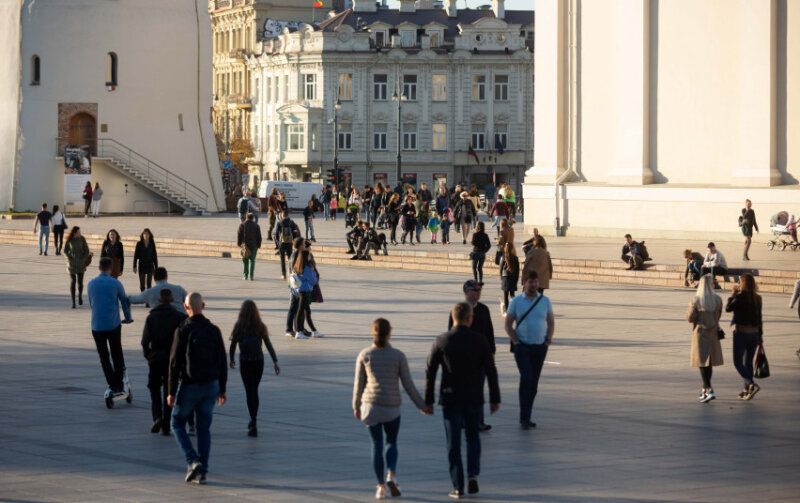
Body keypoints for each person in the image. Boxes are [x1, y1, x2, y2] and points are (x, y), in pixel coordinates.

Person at [424, 302, 500, 499]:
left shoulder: (441, 341)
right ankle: (472, 474)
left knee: (453, 442)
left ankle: (458, 486)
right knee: (473, 437)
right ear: (470, 319)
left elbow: (430, 371)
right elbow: (491, 371)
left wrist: (428, 400)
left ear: (453, 318)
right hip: (473, 398)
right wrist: (494, 398)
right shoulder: (480, 341)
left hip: (450, 398)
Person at [353, 318, 427, 500]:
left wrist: (356, 406)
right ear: (389, 334)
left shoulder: (364, 355)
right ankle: (391, 474)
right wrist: (421, 405)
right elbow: (408, 384)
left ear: (373, 333)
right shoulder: (398, 356)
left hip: (370, 406)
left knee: (376, 445)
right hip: (392, 407)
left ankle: (380, 486)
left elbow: (358, 385)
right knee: (391, 442)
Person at [167, 292, 227, 484]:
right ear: (204, 305)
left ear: (186, 308)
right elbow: (222, 361)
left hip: (190, 385)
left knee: (176, 423)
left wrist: (170, 390)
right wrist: (222, 388)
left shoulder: (182, 330)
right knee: (203, 429)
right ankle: (203, 471)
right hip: (211, 385)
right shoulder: (214, 330)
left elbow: (174, 363)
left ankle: (192, 460)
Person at [504, 269, 554, 429]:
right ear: (524, 284)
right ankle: (523, 416)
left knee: (533, 384)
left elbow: (551, 322)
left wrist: (548, 340)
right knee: (527, 378)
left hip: (540, 347)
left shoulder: (544, 300)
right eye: (530, 282)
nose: (533, 285)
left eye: (535, 282)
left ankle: (527, 415)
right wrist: (516, 341)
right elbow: (508, 324)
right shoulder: (516, 301)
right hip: (523, 347)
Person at [447, 280, 496, 432]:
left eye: (479, 290)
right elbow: (451, 333)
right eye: (474, 290)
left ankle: (478, 421)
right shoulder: (458, 310)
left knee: (478, 390)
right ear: (466, 292)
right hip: (462, 359)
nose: (477, 293)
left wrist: (491, 352)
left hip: (480, 358)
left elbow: (489, 332)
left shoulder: (484, 310)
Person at [229, 300, 280, 437]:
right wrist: (275, 361)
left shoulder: (239, 326)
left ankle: (252, 420)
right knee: (255, 390)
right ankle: (254, 419)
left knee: (249, 391)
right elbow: (268, 344)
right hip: (258, 361)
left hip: (245, 361)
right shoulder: (260, 326)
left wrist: (232, 359)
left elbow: (233, 345)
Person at [142, 289, 188, 435]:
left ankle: (157, 416)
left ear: (160, 300)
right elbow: (184, 340)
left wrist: (148, 356)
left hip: (156, 358)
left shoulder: (151, 318)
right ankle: (166, 424)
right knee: (169, 391)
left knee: (154, 388)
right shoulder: (179, 317)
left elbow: (145, 341)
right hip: (172, 359)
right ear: (172, 300)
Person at [87, 257, 133, 396]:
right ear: (110, 269)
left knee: (104, 356)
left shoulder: (91, 284)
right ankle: (119, 384)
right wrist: (128, 318)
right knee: (116, 353)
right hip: (113, 324)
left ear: (99, 268)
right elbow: (124, 302)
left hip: (96, 325)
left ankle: (112, 384)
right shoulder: (115, 283)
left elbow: (91, 303)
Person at [725, 274, 763, 401]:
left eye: (740, 281)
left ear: (744, 283)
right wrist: (760, 337)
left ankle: (751, 384)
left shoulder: (740, 297)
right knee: (748, 363)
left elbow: (728, 308)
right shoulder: (758, 298)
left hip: (742, 333)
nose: (738, 283)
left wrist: (732, 294)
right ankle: (746, 390)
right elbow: (760, 318)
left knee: (738, 363)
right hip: (754, 335)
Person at [686, 275, 723, 403]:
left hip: (700, 333)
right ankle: (704, 389)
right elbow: (718, 316)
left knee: (702, 362)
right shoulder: (717, 299)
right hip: (712, 333)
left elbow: (690, 318)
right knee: (709, 362)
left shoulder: (696, 300)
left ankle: (708, 389)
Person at [290, 250, 321, 339]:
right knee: (301, 311)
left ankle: (314, 331)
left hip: (299, 290)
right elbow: (314, 281)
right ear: (305, 257)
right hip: (304, 291)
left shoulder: (297, 266)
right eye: (309, 256)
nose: (310, 257)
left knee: (307, 311)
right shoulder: (306, 268)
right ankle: (298, 332)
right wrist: (314, 272)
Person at [63, 226, 90, 308]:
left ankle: (80, 296)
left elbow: (87, 250)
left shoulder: (82, 239)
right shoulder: (69, 240)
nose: (80, 233)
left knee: (80, 283)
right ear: (74, 233)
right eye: (78, 232)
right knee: (73, 281)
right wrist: (69, 259)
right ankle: (73, 302)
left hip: (81, 264)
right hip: (71, 264)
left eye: (80, 232)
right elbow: (65, 251)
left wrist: (83, 259)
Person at [274, 210, 300, 280]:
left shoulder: (279, 223)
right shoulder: (291, 222)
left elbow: (276, 234)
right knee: (290, 258)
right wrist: (294, 241)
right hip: (289, 242)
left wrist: (277, 243)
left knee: (282, 258)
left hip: (282, 243)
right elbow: (295, 232)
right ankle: (292, 273)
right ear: (288, 215)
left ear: (282, 215)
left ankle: (283, 274)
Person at [237, 213, 262, 281]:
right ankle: (251, 276)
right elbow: (259, 237)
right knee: (252, 261)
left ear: (246, 217)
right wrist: (259, 245)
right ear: (253, 218)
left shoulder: (242, 225)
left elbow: (239, 236)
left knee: (245, 261)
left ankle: (245, 275)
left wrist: (239, 244)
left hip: (245, 246)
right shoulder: (256, 226)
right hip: (254, 246)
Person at [133, 228, 159, 292]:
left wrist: (156, 268)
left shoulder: (152, 244)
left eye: (147, 233)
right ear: (142, 235)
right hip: (141, 265)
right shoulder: (139, 244)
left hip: (150, 265)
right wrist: (134, 266)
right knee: (142, 284)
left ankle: (148, 299)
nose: (146, 235)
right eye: (144, 233)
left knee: (149, 284)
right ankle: (143, 296)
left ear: (150, 235)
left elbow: (154, 256)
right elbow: (135, 255)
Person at [499, 242, 520, 316]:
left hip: (505, 277)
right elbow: (517, 270)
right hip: (513, 277)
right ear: (512, 248)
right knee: (512, 294)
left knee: (505, 295)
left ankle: (507, 311)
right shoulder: (515, 257)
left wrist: (501, 278)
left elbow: (501, 269)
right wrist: (516, 279)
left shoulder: (503, 257)